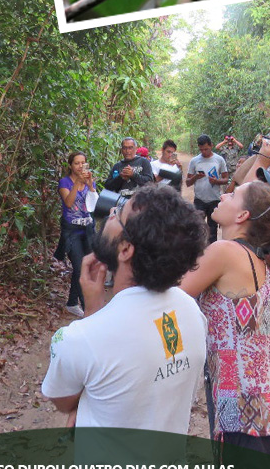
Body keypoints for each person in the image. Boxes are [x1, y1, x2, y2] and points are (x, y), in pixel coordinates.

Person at [42, 183, 207, 432]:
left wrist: (91, 315)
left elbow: (65, 402)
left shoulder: (78, 339)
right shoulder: (192, 312)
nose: (109, 214)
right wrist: (95, 310)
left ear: (126, 249)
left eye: (118, 213)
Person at [180, 181, 270, 469]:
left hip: (250, 418)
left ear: (243, 214)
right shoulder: (257, 262)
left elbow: (170, 296)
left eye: (232, 195)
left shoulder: (225, 253)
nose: (222, 195)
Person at [56, 151, 97, 317]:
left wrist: (90, 185)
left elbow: (94, 205)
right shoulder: (64, 182)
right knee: (79, 268)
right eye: (77, 163)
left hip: (87, 230)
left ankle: (72, 303)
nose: (80, 166)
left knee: (86, 267)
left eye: (83, 163)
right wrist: (77, 184)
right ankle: (88, 310)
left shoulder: (87, 181)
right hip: (72, 231)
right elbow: (69, 202)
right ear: (70, 166)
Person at [187, 134, 228, 243]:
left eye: (206, 149)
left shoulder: (219, 160)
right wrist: (196, 176)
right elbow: (187, 183)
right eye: (201, 150)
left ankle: (212, 252)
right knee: (197, 228)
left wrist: (216, 181)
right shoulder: (194, 161)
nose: (204, 152)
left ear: (211, 146)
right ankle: (198, 252)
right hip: (199, 199)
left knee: (212, 229)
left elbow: (226, 179)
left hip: (214, 199)